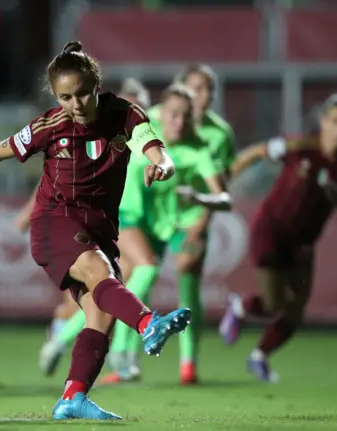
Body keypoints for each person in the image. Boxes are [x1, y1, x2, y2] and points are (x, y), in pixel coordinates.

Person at [0, 41, 191, 421]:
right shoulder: (49, 126)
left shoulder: (124, 114)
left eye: (82, 94)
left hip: (99, 229)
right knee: (100, 274)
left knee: (100, 315)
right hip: (54, 222)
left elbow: (152, 145)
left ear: (96, 85)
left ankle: (73, 398)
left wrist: (162, 163)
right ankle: (148, 323)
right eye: (65, 97)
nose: (76, 105)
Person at [34, 83, 232, 385]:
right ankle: (127, 350)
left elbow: (223, 196)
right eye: (172, 114)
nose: (177, 121)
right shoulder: (139, 119)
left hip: (158, 225)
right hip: (122, 215)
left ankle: (64, 342)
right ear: (162, 112)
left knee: (115, 293)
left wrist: (197, 201)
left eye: (185, 116)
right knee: (146, 269)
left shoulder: (198, 149)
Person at [218, 94, 337, 383]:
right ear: (323, 122)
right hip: (271, 230)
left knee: (296, 311)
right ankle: (239, 307)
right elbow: (259, 151)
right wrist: (226, 178)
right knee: (274, 303)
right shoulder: (301, 146)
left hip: (303, 242)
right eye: (335, 121)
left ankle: (259, 356)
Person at [21, 77, 153, 376]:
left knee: (104, 299)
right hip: (116, 219)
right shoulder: (94, 130)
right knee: (134, 274)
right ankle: (129, 345)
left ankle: (64, 348)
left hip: (130, 223)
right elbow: (58, 177)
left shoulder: (142, 131)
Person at [146, 63, 237, 383]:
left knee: (188, 281)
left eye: (210, 89)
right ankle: (124, 362)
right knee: (137, 280)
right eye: (198, 87)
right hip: (150, 215)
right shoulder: (153, 117)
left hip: (190, 218)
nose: (205, 95)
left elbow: (223, 185)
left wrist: (203, 218)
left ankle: (188, 362)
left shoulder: (219, 134)